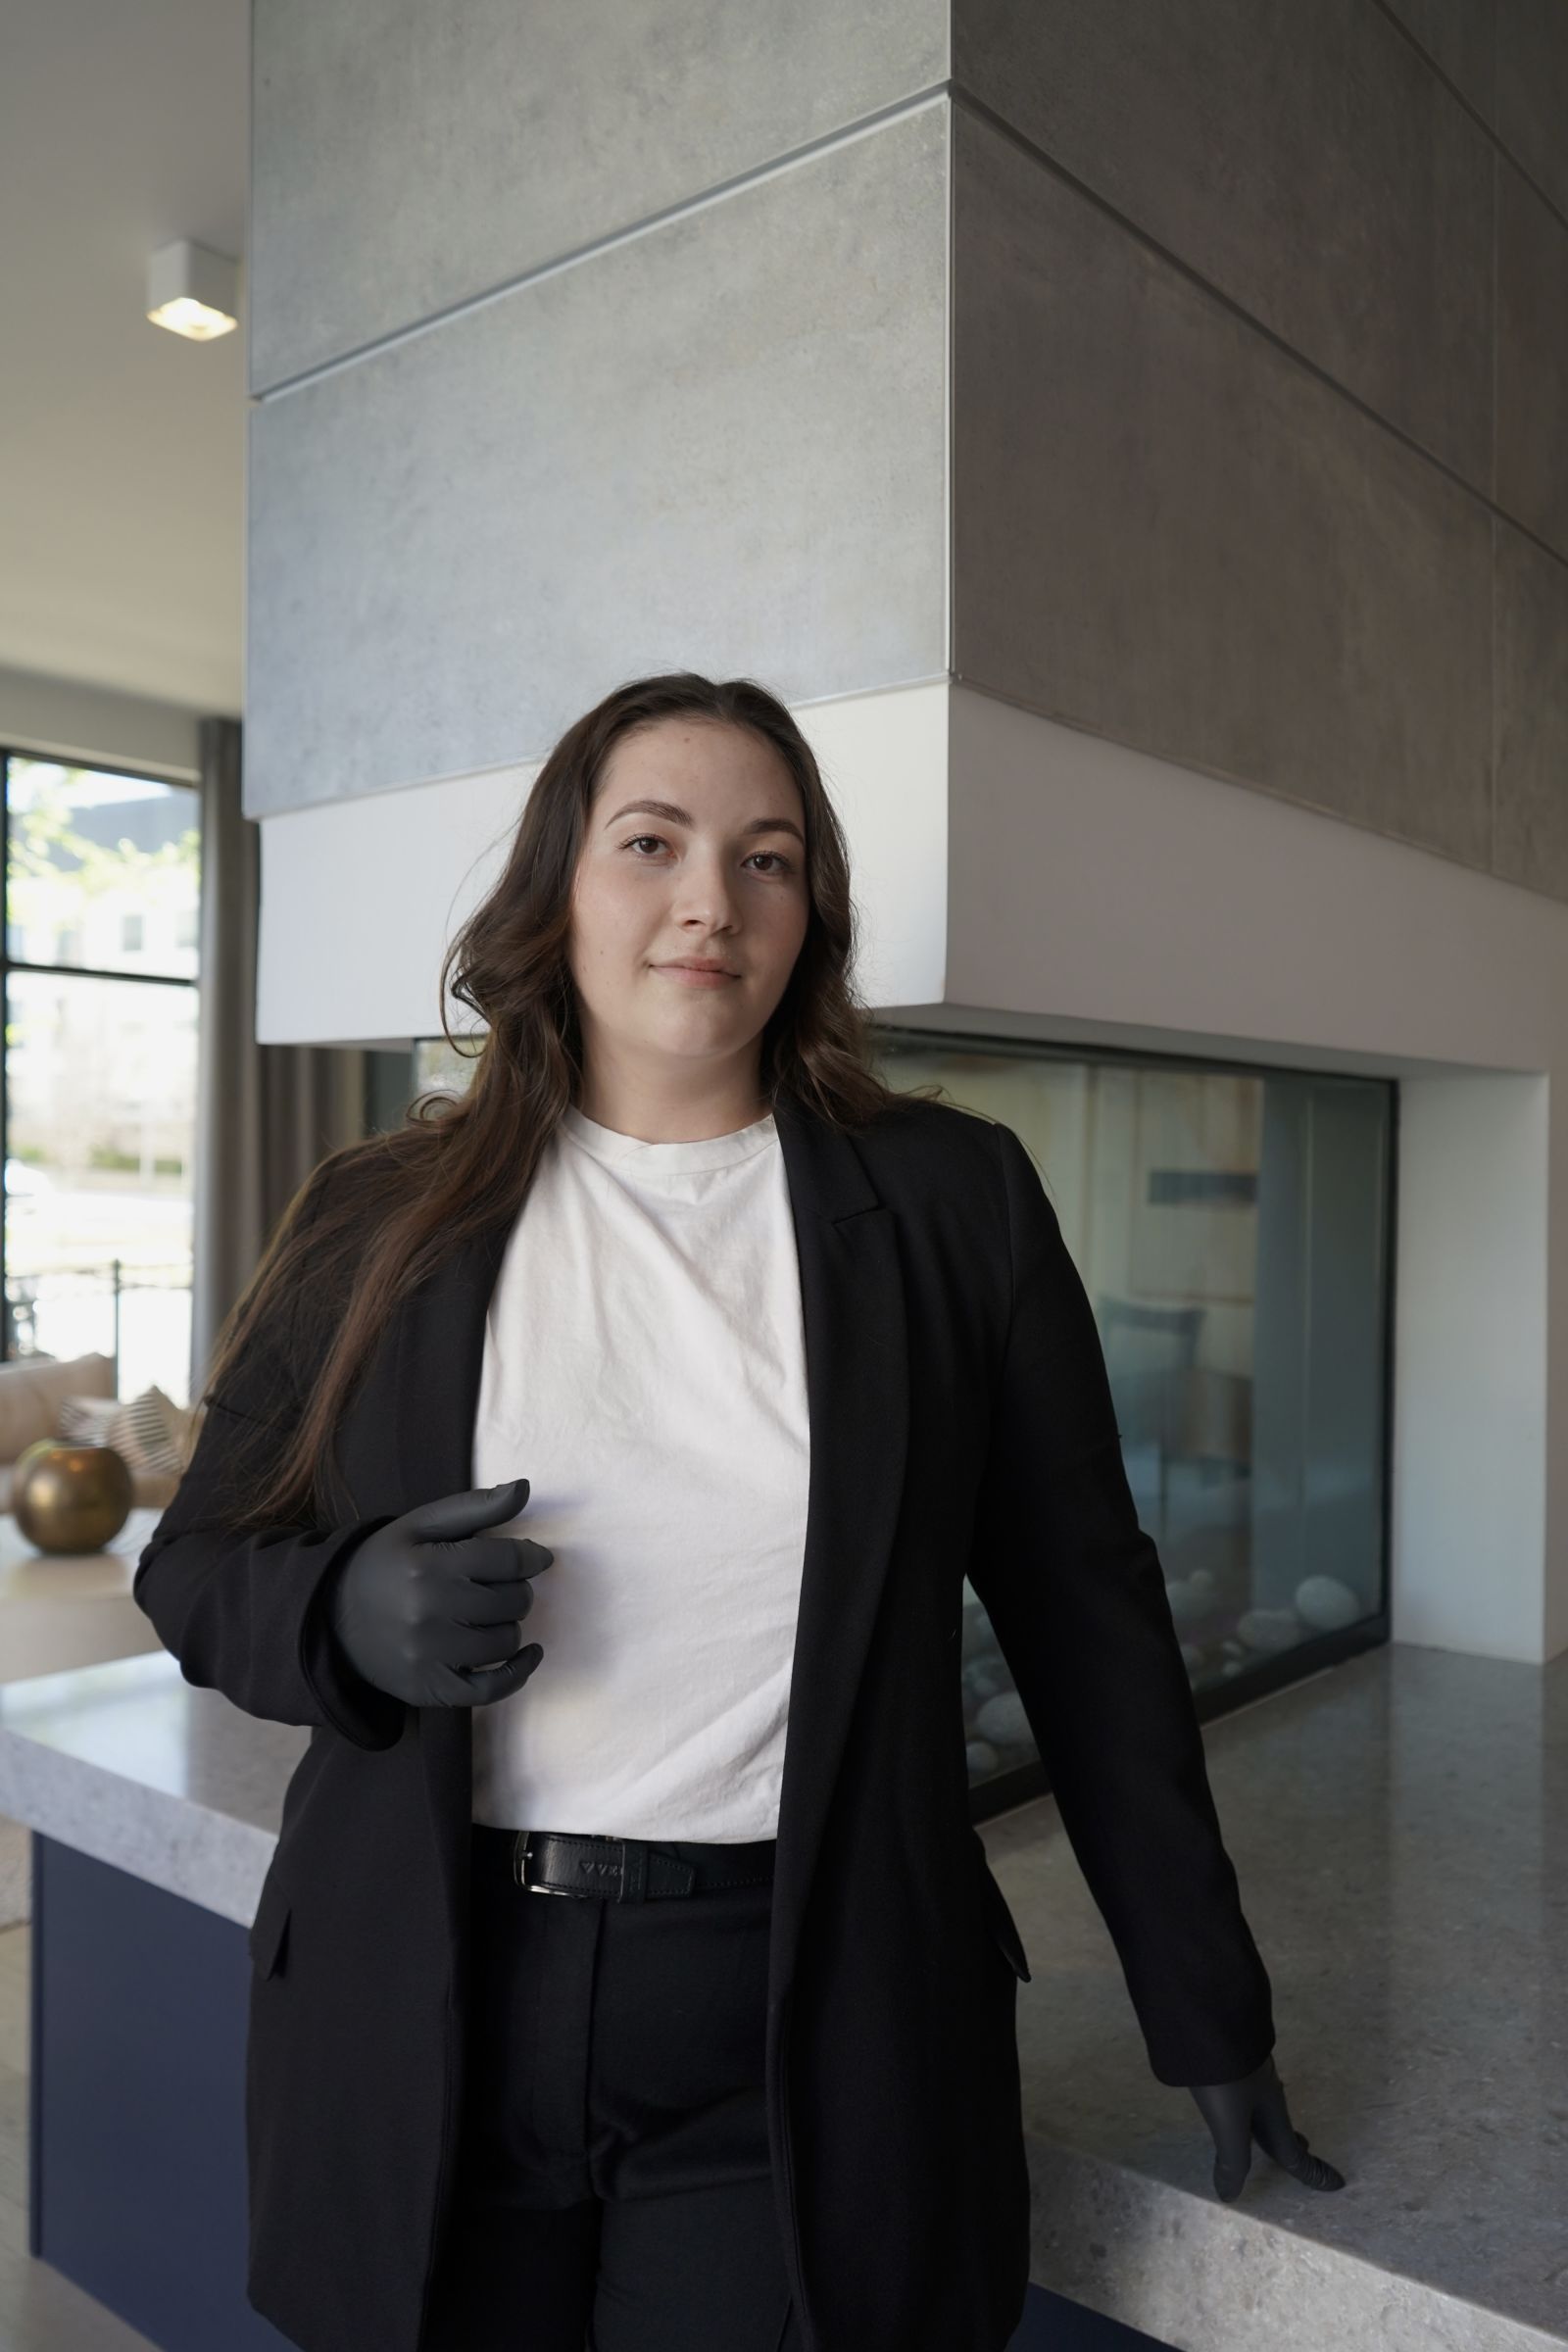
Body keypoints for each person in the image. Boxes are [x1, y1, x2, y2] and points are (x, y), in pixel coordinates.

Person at [135, 670, 1342, 2352]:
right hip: (426, 1993)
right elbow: (197, 1567)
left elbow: (1091, 1621)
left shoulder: (955, 1205)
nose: (711, 900)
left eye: (766, 858)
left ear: (809, 915)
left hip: (801, 2020)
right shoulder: (377, 1215)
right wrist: (336, 1609)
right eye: (653, 843)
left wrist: (1205, 2004)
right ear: (559, 889)